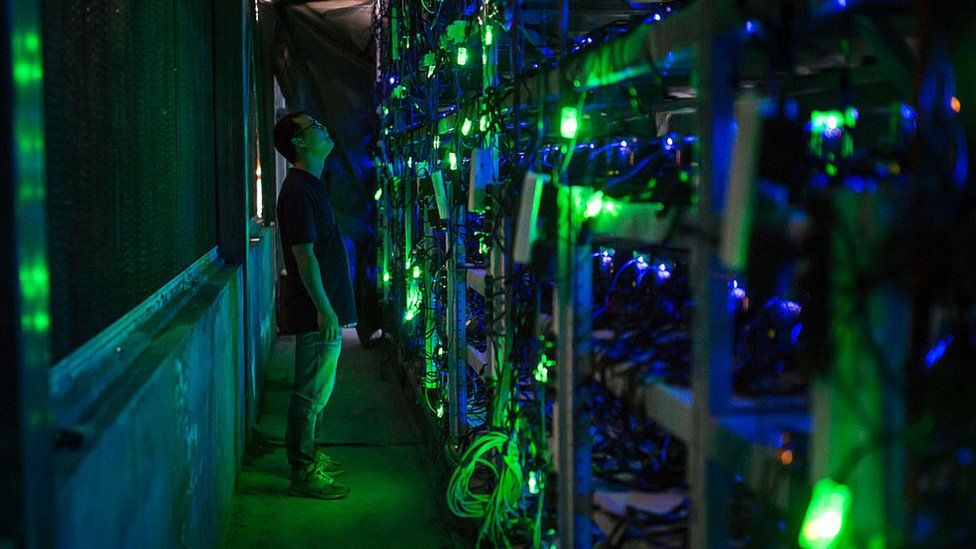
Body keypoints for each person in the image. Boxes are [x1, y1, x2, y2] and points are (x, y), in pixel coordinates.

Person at [273, 111, 357, 500]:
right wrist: (323, 308)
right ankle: (302, 472)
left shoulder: (311, 184)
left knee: (318, 392)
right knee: (309, 394)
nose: (324, 127)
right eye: (315, 127)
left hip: (324, 306)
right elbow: (304, 255)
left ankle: (310, 456)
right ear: (300, 143)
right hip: (314, 310)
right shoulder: (297, 191)